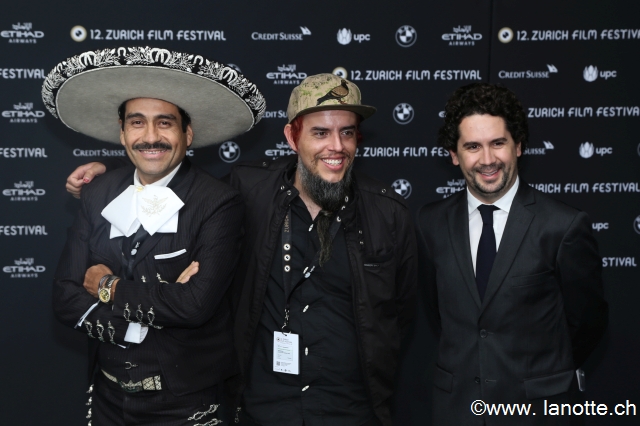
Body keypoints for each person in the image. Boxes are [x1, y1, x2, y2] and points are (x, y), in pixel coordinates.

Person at [66, 73, 418, 426]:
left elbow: (399, 312)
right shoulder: (248, 188)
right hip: (263, 402)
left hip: (352, 405)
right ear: (292, 137)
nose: (336, 146)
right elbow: (175, 183)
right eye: (320, 133)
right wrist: (110, 178)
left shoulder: (389, 212)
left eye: (347, 132)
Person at [47, 46, 265, 425]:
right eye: (137, 122)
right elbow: (65, 296)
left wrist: (108, 287)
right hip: (108, 394)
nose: (151, 137)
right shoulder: (98, 192)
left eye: (165, 123)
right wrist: (141, 323)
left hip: (185, 401)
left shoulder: (218, 202)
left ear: (187, 133)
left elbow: (194, 306)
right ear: (122, 132)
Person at [417, 83, 608, 425]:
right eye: (472, 146)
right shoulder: (430, 223)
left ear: (518, 146)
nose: (487, 160)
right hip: (457, 411)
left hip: (535, 413)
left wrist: (540, 376)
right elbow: (437, 312)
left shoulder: (562, 226)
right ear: (454, 154)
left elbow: (587, 323)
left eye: (498, 143)